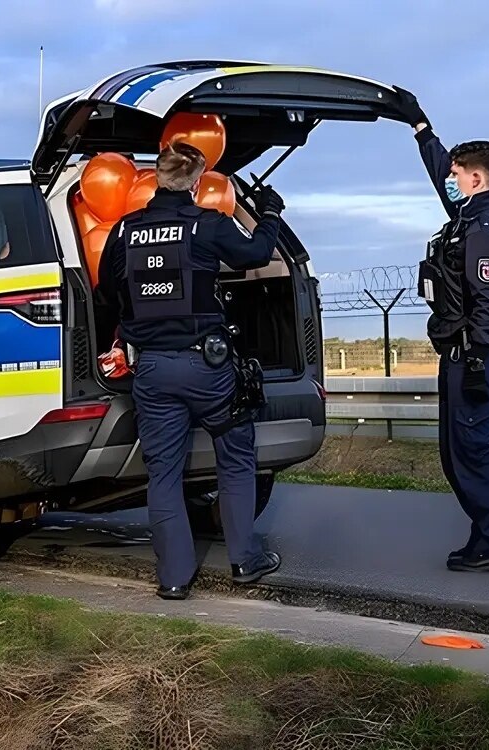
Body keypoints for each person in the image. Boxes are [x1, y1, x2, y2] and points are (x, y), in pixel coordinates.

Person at [95, 140, 285, 599]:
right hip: (208, 367)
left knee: (163, 473)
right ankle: (244, 559)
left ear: (156, 179)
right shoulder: (206, 225)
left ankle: (175, 579)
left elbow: (105, 291)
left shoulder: (123, 232)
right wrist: (271, 212)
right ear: (197, 183)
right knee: (236, 456)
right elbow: (257, 252)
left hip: (153, 370)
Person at [394, 87, 489, 573]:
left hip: (475, 355)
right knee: (456, 453)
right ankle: (484, 536)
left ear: (474, 178)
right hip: (462, 352)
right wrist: (420, 127)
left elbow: (488, 303)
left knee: (474, 449)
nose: (447, 178)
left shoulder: (486, 227)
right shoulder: (468, 216)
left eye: (454, 174)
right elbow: (437, 170)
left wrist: (473, 360)